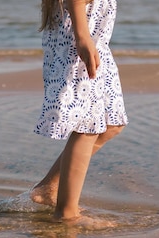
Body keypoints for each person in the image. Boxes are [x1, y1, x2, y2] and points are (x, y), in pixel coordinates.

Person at [31, 0, 128, 223]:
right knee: (88, 127)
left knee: (112, 124)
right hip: (79, 47)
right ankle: (66, 213)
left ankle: (48, 188)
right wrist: (83, 37)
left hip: (96, 45)